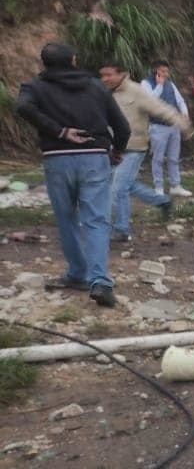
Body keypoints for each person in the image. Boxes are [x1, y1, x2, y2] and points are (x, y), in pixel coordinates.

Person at [16, 43, 130, 307]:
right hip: (94, 156)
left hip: (57, 159)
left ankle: (77, 273)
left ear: (45, 63)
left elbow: (23, 107)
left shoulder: (35, 87)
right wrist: (117, 150)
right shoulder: (96, 86)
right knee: (97, 220)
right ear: (74, 61)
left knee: (66, 218)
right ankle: (100, 281)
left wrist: (59, 131)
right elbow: (121, 126)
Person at [99, 63, 192, 242]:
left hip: (134, 147)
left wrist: (184, 126)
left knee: (118, 189)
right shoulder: (104, 92)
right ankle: (162, 201)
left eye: (109, 75)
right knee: (126, 184)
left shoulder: (137, 91)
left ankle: (121, 230)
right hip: (113, 148)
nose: (105, 79)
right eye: (102, 75)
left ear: (122, 74)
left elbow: (161, 108)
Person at [142, 60, 193, 197]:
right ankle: (158, 186)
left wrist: (184, 113)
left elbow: (180, 100)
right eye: (163, 71)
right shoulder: (146, 83)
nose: (166, 74)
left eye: (167, 71)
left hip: (173, 126)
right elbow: (149, 102)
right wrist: (159, 86)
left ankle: (175, 185)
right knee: (158, 158)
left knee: (173, 157)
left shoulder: (171, 84)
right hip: (157, 126)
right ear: (155, 71)